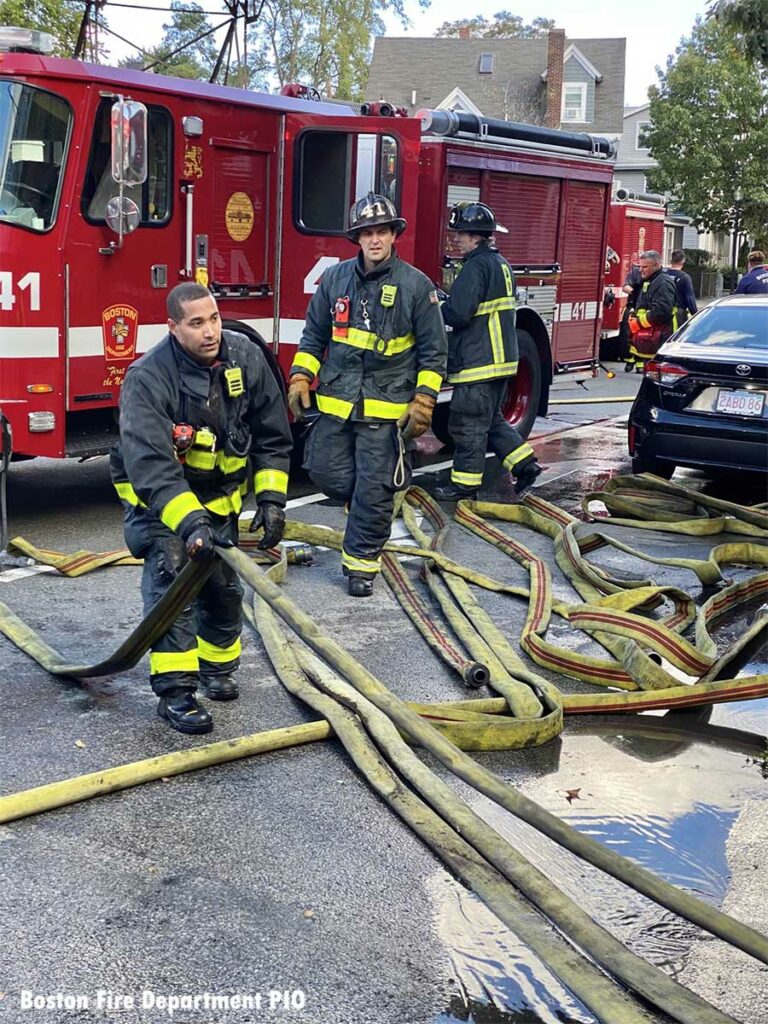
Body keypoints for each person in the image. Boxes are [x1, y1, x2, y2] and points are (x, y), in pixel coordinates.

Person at [110, 283, 292, 734]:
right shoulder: (148, 378)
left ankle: (216, 670)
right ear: (173, 328)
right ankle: (176, 693)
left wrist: (271, 500)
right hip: (165, 510)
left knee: (225, 594)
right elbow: (152, 468)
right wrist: (191, 523)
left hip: (220, 507)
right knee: (175, 587)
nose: (210, 331)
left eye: (213, 318)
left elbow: (272, 433)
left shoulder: (245, 357)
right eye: (196, 323)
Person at [288, 192, 447, 598]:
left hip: (386, 410)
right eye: (367, 233)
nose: (375, 240)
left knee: (374, 491)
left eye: (382, 232)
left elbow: (434, 352)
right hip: (337, 404)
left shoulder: (416, 286)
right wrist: (301, 376)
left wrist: (424, 400)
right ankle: (367, 506)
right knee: (324, 471)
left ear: (394, 235)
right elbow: (314, 335)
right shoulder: (335, 280)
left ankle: (361, 565)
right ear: (356, 238)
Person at [432, 201, 541, 502]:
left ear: (475, 236)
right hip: (502, 361)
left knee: (466, 425)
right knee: (490, 421)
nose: (456, 238)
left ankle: (464, 486)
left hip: (479, 363)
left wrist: (436, 304)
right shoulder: (500, 263)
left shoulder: (475, 267)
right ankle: (526, 465)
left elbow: (459, 314)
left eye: (460, 234)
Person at [626, 250, 677, 373]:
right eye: (640, 266)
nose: (640, 270)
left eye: (645, 267)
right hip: (652, 337)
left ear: (656, 265)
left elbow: (662, 311)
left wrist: (639, 323)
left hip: (661, 337)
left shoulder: (662, 283)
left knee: (657, 374)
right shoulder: (652, 280)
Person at [665, 248, 698, 328]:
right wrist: (696, 316)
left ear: (671, 260)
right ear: (683, 261)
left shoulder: (663, 276)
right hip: (679, 315)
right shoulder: (684, 277)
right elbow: (690, 299)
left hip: (664, 312)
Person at [620, 263, 643, 371]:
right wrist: (635, 292)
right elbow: (625, 287)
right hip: (632, 307)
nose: (642, 269)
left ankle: (640, 363)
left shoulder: (658, 276)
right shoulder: (635, 272)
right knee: (628, 335)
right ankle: (629, 360)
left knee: (643, 337)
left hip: (646, 310)